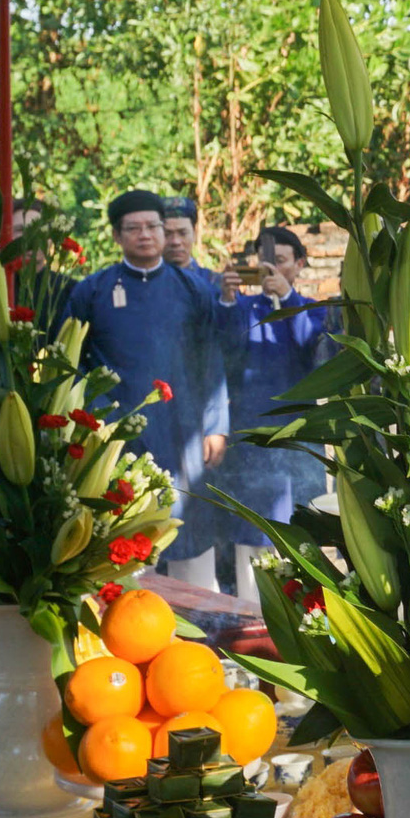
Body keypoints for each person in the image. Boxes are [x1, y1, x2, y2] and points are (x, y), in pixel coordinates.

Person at [65, 190, 230, 585]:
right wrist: (99, 420)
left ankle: (201, 633)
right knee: (126, 538)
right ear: (117, 236)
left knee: (189, 531)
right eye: (134, 228)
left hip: (184, 429)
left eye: (153, 226)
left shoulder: (194, 289)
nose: (146, 235)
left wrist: (217, 426)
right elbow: (73, 364)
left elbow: (212, 361)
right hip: (119, 433)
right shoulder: (92, 291)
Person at [206, 226, 331, 599]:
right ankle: (251, 608)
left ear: (299, 264)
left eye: (279, 261)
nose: (271, 270)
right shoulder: (242, 309)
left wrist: (288, 301)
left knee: (301, 523)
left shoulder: (313, 308)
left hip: (299, 432)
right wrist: (227, 299)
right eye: (264, 263)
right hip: (252, 431)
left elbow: (314, 350)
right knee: (250, 525)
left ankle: (304, 607)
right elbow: (223, 351)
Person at [161, 196, 214, 285]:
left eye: (183, 233)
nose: (175, 242)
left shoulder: (214, 282)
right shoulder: (145, 281)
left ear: (195, 234)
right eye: (167, 234)